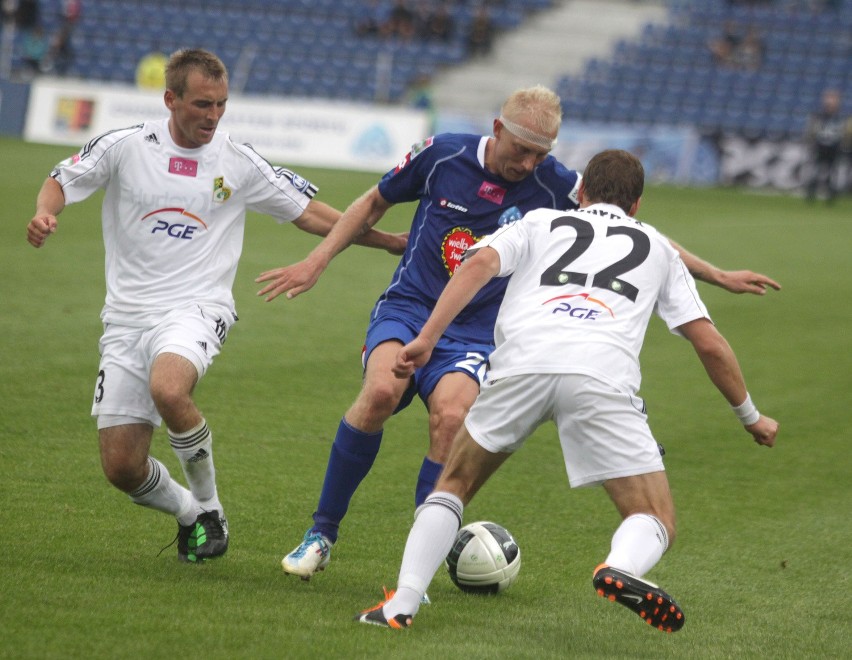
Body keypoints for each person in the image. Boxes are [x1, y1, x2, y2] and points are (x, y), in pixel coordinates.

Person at [257, 86, 780, 582]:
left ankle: (421, 560)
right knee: (378, 395)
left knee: (452, 418)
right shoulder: (442, 154)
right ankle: (321, 534)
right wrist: (317, 261)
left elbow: (628, 230)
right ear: (497, 128)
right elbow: (372, 203)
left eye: (540, 154)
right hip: (412, 306)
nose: (528, 164)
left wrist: (716, 275)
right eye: (522, 150)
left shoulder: (555, 181)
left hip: (479, 331)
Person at [355, 149, 779, 630]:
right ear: (636, 205)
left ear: (580, 193)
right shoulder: (657, 247)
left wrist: (428, 337)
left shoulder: (540, 222)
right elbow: (710, 344)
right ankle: (620, 568)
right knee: (653, 515)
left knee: (453, 485)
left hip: (522, 365)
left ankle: (402, 604)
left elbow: (477, 266)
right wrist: (751, 417)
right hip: (601, 376)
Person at [26, 48, 405, 564]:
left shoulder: (237, 159)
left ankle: (209, 507)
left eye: (222, 104)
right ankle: (189, 512)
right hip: (125, 318)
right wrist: (46, 214)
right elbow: (61, 178)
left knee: (169, 386)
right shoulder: (125, 146)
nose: (213, 116)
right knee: (122, 467)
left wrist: (386, 242)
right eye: (203, 104)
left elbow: (309, 214)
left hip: (198, 307)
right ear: (170, 99)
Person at [804, 88, 850, 203]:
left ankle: (831, 195)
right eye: (828, 98)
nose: (830, 101)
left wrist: (845, 143)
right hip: (820, 146)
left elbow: (846, 132)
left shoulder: (842, 117)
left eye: (833, 99)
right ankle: (811, 192)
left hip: (834, 147)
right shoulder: (818, 116)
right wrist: (810, 141)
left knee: (833, 172)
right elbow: (811, 130)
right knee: (815, 170)